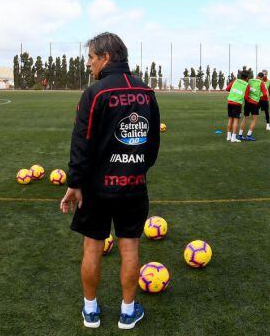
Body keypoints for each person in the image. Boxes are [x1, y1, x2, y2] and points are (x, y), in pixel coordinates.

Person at [60, 32, 160, 330]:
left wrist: (75, 182)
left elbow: (82, 142)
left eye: (91, 57)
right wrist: (137, 169)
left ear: (106, 57)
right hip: (133, 186)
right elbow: (152, 144)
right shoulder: (147, 93)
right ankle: (127, 313)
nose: (88, 64)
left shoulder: (96, 93)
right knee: (129, 248)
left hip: (97, 188)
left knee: (92, 247)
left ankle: (91, 310)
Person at [223, 71, 248, 143]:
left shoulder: (235, 81)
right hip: (237, 103)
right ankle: (233, 138)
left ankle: (228, 136)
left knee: (230, 119)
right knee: (236, 120)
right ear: (246, 78)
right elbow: (246, 97)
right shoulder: (246, 85)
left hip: (230, 101)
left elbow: (227, 89)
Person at [241, 71, 263, 141]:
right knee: (254, 119)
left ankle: (240, 135)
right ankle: (248, 135)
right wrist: (259, 95)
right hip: (254, 103)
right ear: (262, 78)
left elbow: (246, 87)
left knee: (245, 118)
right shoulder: (261, 83)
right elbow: (265, 94)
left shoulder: (250, 80)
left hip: (247, 101)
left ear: (257, 76)